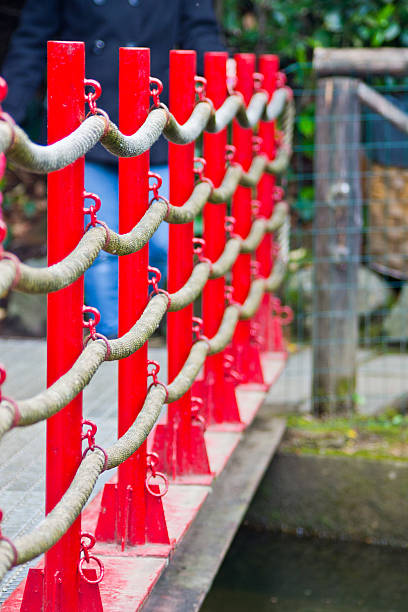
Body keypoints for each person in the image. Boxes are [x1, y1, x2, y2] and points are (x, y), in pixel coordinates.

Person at [1, 0, 226, 336]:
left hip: (156, 118)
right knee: (98, 242)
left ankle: (149, 332)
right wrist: (7, 113)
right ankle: (114, 342)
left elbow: (200, 29)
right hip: (86, 119)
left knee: (165, 241)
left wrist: (222, 77)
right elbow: (32, 41)